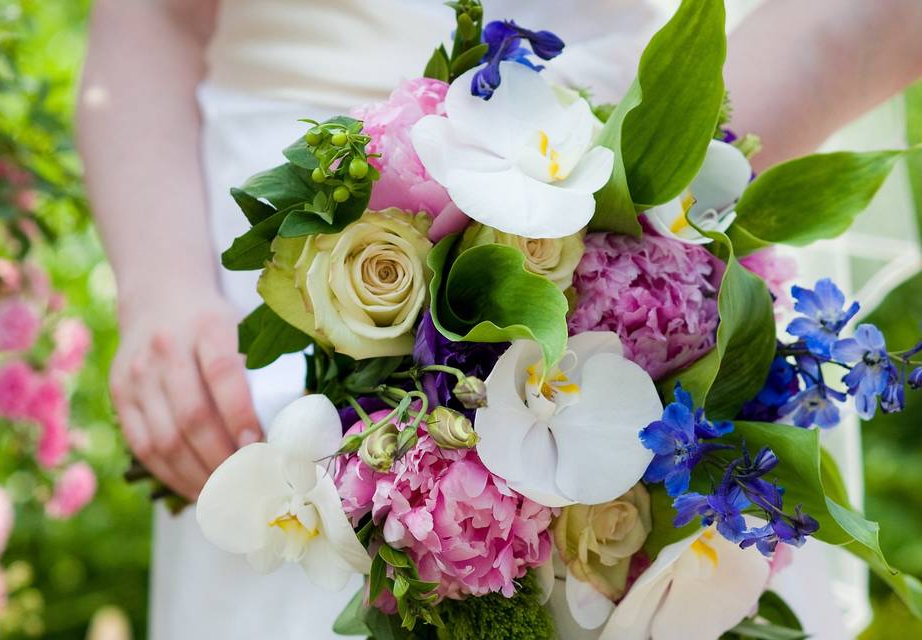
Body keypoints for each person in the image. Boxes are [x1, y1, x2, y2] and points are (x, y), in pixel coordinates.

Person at [76, 1, 922, 638]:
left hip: (654, 233)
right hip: (264, 294)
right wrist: (159, 287)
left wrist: (643, 203)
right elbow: (149, 16)